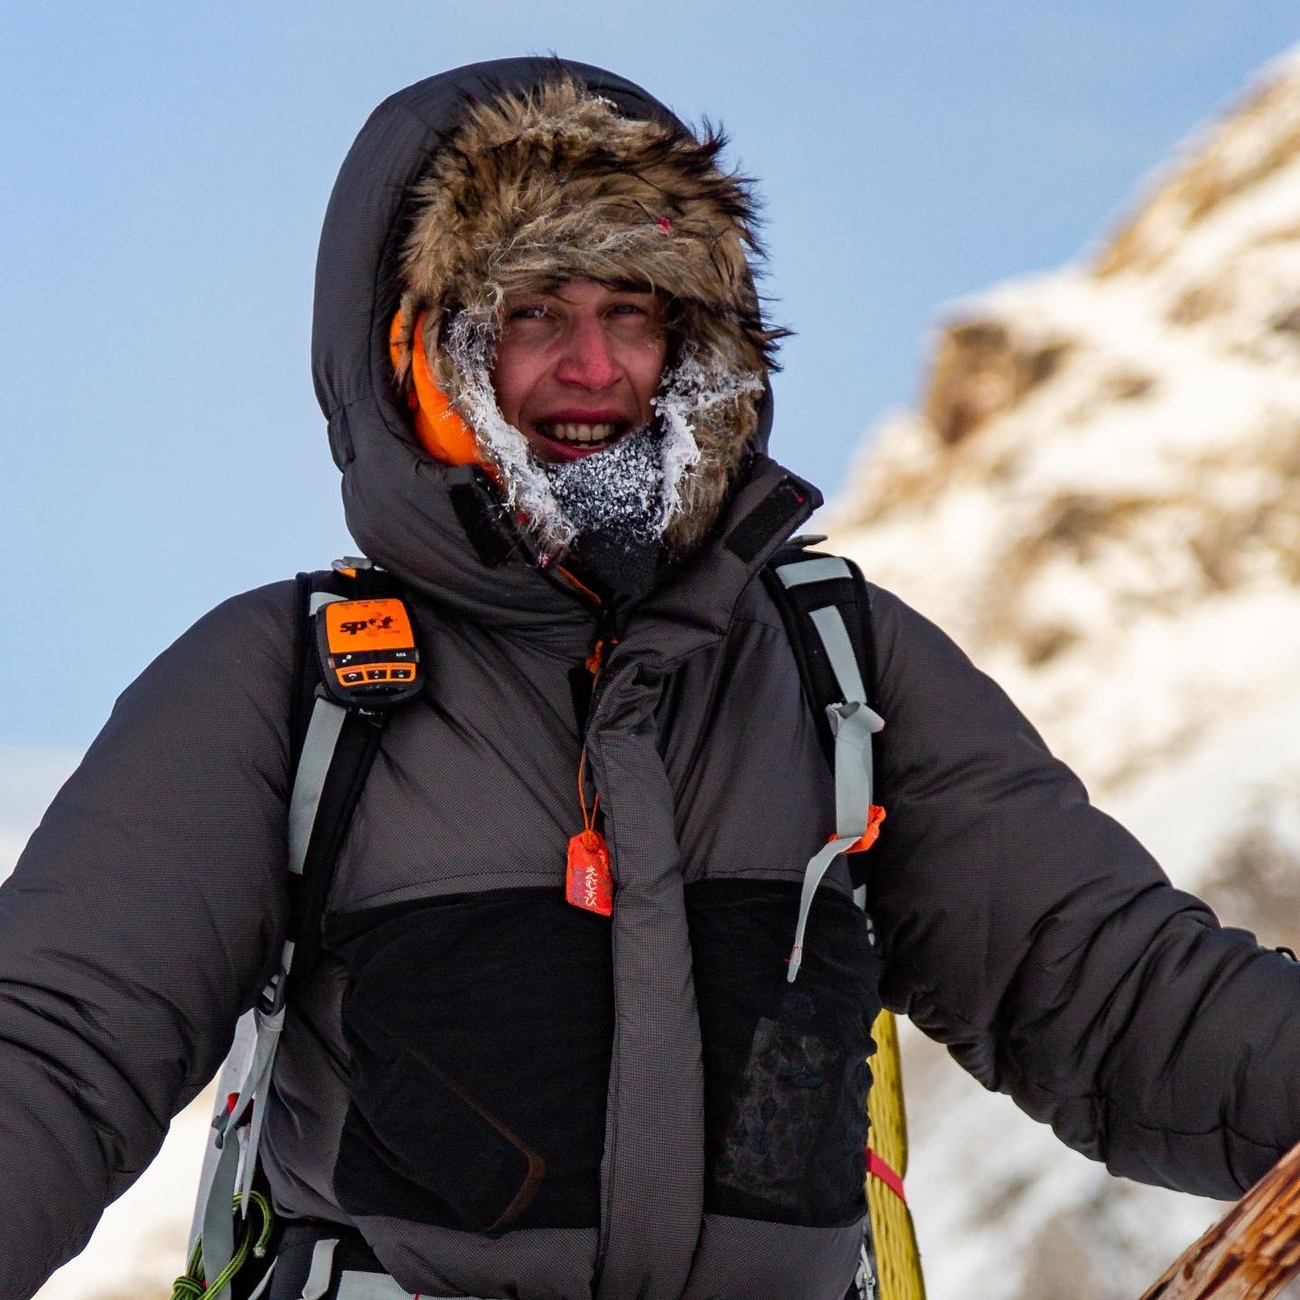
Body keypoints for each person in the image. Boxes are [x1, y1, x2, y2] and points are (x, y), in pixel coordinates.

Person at [3, 55, 1300, 1300]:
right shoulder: (291, 683)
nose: (594, 370)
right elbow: (56, 1050)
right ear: (411, 352)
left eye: (636, 313)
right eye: (530, 314)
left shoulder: (833, 662)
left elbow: (1115, 998)